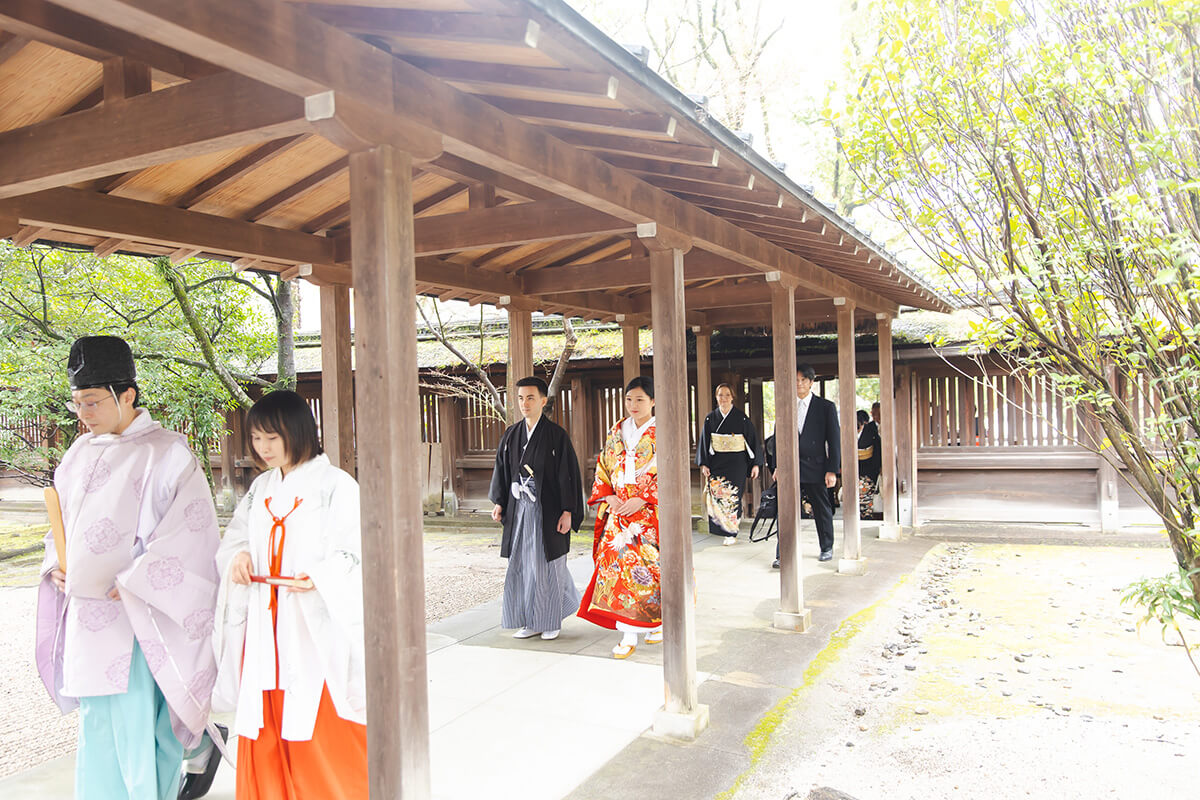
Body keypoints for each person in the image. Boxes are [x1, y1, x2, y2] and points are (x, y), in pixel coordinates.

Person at [35, 335, 222, 800]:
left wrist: (140, 578)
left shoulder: (168, 454)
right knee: (98, 721)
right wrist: (56, 561)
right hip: (86, 612)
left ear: (127, 396)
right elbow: (64, 524)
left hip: (139, 614)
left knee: (140, 720)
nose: (84, 413)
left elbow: (192, 533)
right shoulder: (77, 456)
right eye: (78, 402)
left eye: (93, 401)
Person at [212, 390, 367, 799]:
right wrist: (240, 557)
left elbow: (357, 549)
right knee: (266, 720)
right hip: (266, 627)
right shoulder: (261, 487)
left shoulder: (337, 486)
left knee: (319, 719)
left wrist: (318, 576)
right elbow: (234, 539)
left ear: (297, 433)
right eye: (256, 438)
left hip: (310, 628)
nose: (262, 448)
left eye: (272, 438)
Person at [488, 376, 585, 640]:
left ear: (543, 400)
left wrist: (568, 510)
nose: (524, 403)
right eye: (520, 398)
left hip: (549, 511)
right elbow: (502, 470)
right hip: (519, 508)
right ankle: (530, 620)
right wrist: (500, 502)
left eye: (530, 397)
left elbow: (568, 475)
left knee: (548, 565)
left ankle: (550, 620)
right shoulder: (512, 434)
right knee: (522, 564)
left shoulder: (556, 436)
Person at [578, 376, 662, 658]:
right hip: (618, 510)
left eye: (640, 399)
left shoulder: (661, 431)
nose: (633, 405)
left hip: (648, 512)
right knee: (616, 565)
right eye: (629, 399)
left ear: (653, 401)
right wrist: (609, 496)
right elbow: (604, 465)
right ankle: (629, 631)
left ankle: (655, 621)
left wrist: (644, 498)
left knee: (651, 568)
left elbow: (669, 469)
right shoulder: (617, 430)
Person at [771, 364, 840, 567]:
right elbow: (778, 438)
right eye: (796, 380)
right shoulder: (785, 404)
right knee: (785, 511)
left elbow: (834, 441)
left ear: (811, 382)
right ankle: (782, 554)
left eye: (803, 380)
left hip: (817, 467)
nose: (799, 384)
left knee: (821, 508)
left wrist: (832, 470)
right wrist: (777, 466)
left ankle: (826, 547)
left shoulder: (825, 407)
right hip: (790, 467)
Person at [697, 383, 762, 544]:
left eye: (727, 395)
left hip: (737, 463)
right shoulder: (710, 418)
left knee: (733, 496)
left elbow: (753, 441)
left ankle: (731, 532)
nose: (723, 398)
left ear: (732, 397)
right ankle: (722, 529)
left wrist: (755, 464)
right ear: (716, 397)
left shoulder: (741, 417)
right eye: (720, 395)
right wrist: (704, 463)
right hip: (717, 462)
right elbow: (704, 442)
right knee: (718, 495)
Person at [857, 409, 882, 520]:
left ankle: (866, 514)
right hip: (855, 466)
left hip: (869, 466)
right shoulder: (847, 431)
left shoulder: (871, 431)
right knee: (856, 493)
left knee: (867, 492)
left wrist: (879, 467)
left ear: (863, 423)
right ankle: (859, 513)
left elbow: (877, 450)